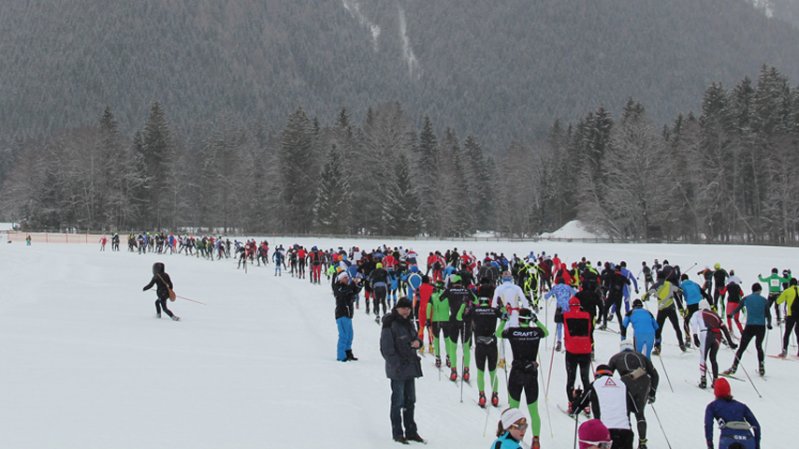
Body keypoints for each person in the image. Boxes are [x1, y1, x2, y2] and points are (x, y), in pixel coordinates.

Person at [496, 308, 549, 449]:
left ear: (519, 319)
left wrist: (504, 320)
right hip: (531, 373)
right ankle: (536, 439)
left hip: (516, 373)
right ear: (529, 319)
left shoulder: (513, 331)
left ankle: (510, 436)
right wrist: (536, 320)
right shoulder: (536, 332)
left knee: (514, 410)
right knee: (534, 410)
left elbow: (498, 334)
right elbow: (546, 332)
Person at [380, 297, 424, 444]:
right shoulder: (390, 324)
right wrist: (397, 365)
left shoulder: (409, 323)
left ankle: (411, 431)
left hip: (410, 367)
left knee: (410, 400)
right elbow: (386, 349)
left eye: (408, 308)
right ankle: (397, 432)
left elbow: (415, 339)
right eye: (403, 308)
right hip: (398, 370)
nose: (406, 311)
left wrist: (418, 343)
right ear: (397, 309)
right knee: (398, 402)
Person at [608, 341, 659, 449]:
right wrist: (652, 393)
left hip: (626, 381)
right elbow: (655, 375)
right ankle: (642, 442)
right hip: (644, 380)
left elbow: (608, 376)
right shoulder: (642, 356)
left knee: (625, 413)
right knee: (640, 413)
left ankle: (627, 441)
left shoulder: (616, 357)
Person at [575, 365, 638, 449]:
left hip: (605, 432)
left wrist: (576, 399)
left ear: (597, 375)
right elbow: (635, 408)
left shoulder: (595, 384)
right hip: (626, 431)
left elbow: (578, 406)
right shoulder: (622, 384)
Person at [724, 283, 771, 376]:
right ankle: (761, 367)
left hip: (750, 326)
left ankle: (734, 367)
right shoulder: (764, 300)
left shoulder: (746, 299)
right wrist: (769, 324)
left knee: (742, 348)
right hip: (761, 327)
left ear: (752, 290)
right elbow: (768, 315)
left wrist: (731, 314)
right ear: (760, 290)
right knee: (759, 346)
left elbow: (737, 309)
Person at [690, 299, 736, 388]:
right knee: (713, 358)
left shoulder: (697, 313)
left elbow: (694, 324)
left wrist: (695, 336)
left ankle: (703, 380)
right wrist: (730, 342)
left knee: (703, 357)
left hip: (705, 334)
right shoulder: (715, 314)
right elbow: (724, 328)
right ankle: (715, 381)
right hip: (717, 335)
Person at [704, 378, 761, 449]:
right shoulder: (741, 406)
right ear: (729, 391)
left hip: (728, 439)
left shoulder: (712, 407)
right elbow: (756, 426)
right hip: (748, 439)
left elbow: (708, 426)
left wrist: (710, 446)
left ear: (715, 392)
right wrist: (757, 445)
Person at [467, 295, 502, 407]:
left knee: (480, 372)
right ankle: (495, 396)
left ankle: (482, 396)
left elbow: (463, 318)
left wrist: (465, 309)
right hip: (492, 344)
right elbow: (506, 318)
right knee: (493, 372)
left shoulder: (475, 310)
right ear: (489, 302)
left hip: (480, 344)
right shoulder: (494, 310)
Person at [563, 296, 593, 415]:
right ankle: (586, 405)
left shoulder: (565, 315)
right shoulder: (586, 315)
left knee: (571, 378)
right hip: (585, 349)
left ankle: (571, 402)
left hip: (571, 350)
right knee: (585, 378)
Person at [333, 271, 361, 362]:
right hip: (341, 314)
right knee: (343, 335)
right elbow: (343, 293)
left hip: (348, 314)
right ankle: (341, 355)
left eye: (347, 278)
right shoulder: (338, 287)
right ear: (340, 279)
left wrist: (358, 284)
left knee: (349, 335)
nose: (347, 279)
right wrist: (352, 284)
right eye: (345, 278)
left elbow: (354, 291)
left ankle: (348, 352)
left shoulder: (347, 287)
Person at [775, 277, 799, 357]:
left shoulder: (787, 291)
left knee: (787, 333)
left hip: (791, 314)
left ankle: (784, 351)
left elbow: (778, 301)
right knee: (798, 332)